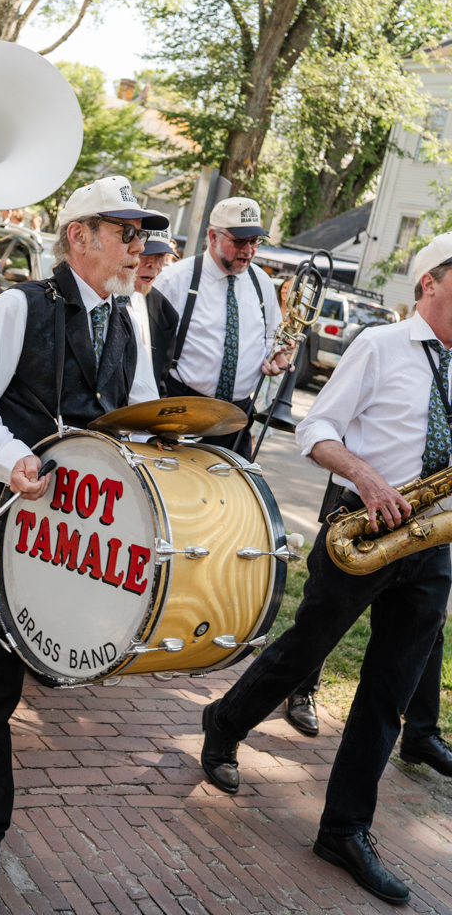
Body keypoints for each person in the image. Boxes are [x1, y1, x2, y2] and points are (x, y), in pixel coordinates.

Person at [0, 175, 166, 915]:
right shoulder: (19, 306)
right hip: (2, 524)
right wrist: (12, 457)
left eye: (141, 236)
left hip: (69, 537)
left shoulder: (130, 318)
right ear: (79, 237)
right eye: (126, 233)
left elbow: (131, 421)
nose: (138, 249)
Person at [198, 231, 452, 907]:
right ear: (429, 281)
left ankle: (345, 829)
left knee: (390, 691)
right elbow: (317, 431)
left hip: (430, 542)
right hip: (362, 527)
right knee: (303, 649)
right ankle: (225, 723)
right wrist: (366, 477)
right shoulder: (378, 345)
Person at [153, 196, 288, 459]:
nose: (248, 250)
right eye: (238, 241)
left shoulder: (261, 281)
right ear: (213, 236)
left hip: (237, 417)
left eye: (254, 241)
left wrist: (277, 358)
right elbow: (147, 351)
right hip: (182, 411)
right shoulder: (175, 280)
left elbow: (273, 337)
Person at [128, 225, 179, 395]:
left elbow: (159, 378)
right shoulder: (100, 299)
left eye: (162, 256)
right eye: (146, 253)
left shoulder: (165, 312)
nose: (154, 264)